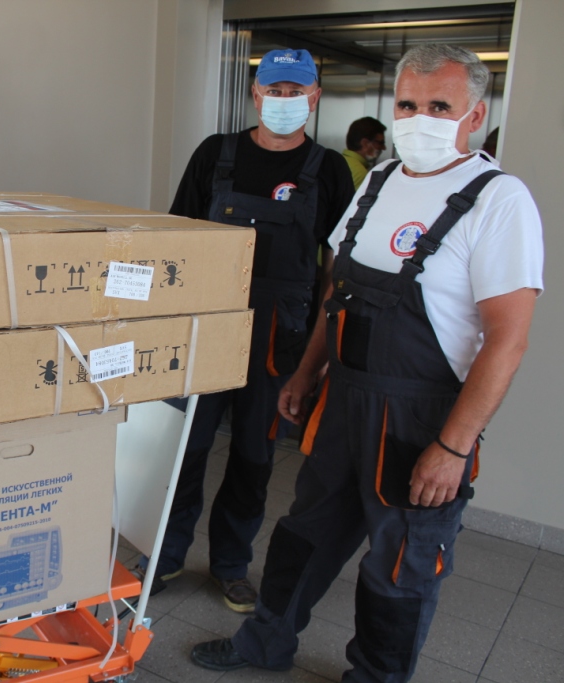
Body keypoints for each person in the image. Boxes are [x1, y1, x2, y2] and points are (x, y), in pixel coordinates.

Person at [189, 43, 543, 682]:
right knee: (305, 529)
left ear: (475, 115)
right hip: (345, 400)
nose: (419, 118)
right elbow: (337, 291)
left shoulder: (498, 201)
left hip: (420, 418)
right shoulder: (379, 182)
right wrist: (306, 373)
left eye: (439, 106)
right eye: (407, 104)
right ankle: (265, 641)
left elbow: (507, 341)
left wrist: (454, 447)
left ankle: (376, 676)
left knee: (401, 559)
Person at [138, 48, 354, 613]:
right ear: (256, 95)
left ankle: (232, 564)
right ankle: (165, 555)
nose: (284, 101)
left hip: (279, 338)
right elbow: (175, 239)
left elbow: (337, 269)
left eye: (295, 92)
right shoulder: (216, 154)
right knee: (186, 447)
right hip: (206, 327)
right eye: (274, 90)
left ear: (314, 98)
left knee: (255, 456)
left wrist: (319, 352)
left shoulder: (327, 169)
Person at [342, 117, 387, 189]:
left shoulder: (338, 161)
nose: (384, 148)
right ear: (365, 143)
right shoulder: (361, 173)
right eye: (380, 143)